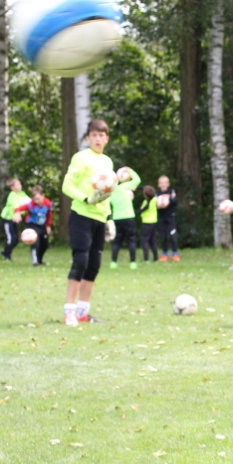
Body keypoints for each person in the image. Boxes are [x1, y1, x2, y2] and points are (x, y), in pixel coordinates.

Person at [60, 119, 120, 326]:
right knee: (80, 262)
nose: (98, 139)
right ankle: (69, 311)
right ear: (88, 138)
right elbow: (67, 186)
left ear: (107, 139)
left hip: (100, 219)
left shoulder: (108, 162)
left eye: (102, 135)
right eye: (94, 135)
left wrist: (109, 219)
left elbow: (108, 193)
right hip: (81, 216)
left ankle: (83, 312)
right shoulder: (80, 158)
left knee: (94, 265)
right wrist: (86, 199)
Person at [108, 167, 141, 270]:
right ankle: (132, 263)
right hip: (129, 217)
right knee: (131, 240)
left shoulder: (110, 192)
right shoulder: (124, 187)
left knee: (117, 241)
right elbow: (137, 180)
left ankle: (113, 263)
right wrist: (130, 170)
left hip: (117, 218)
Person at [14, 185, 54, 265]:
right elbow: (18, 208)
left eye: (38, 199)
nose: (36, 201)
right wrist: (17, 213)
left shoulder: (48, 204)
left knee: (45, 244)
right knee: (35, 242)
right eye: (34, 199)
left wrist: (48, 226)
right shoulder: (31, 205)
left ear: (43, 196)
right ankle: (35, 261)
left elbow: (49, 215)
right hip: (32, 225)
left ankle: (39, 260)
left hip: (42, 226)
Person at [0, 177, 28, 261]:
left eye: (20, 184)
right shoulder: (12, 195)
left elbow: (28, 203)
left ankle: (5, 252)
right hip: (7, 220)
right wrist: (17, 212)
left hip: (14, 221)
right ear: (12, 187)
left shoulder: (22, 194)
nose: (20, 185)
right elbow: (15, 205)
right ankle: (6, 255)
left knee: (16, 240)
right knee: (11, 238)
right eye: (18, 184)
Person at [155, 175, 180, 261]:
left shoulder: (171, 191)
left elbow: (175, 202)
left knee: (173, 236)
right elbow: (155, 206)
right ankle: (165, 254)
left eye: (165, 183)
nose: (163, 185)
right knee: (163, 236)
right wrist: (159, 205)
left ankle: (175, 254)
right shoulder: (157, 194)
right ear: (159, 185)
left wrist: (170, 199)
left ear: (168, 184)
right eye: (161, 183)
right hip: (161, 218)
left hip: (171, 217)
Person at [136, 185, 160, 262]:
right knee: (152, 240)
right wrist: (138, 187)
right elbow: (147, 188)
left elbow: (140, 211)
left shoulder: (146, 203)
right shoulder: (155, 199)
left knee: (144, 241)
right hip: (154, 222)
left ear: (145, 195)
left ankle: (146, 259)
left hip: (147, 223)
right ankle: (156, 258)